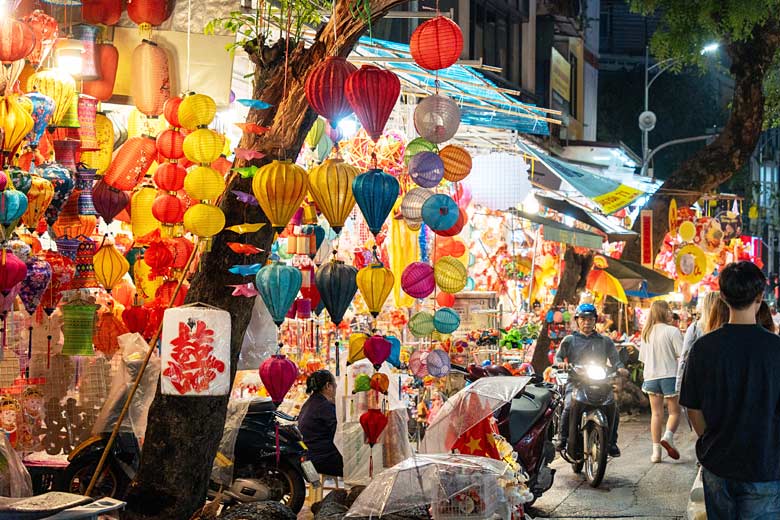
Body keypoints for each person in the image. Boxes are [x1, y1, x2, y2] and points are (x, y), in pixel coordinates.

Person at [681, 262, 780, 518]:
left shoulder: (703, 348)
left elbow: (692, 407)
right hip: (764, 465)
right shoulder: (775, 349)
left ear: (723, 297)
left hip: (718, 463)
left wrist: (710, 439)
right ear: (759, 298)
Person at [555, 303, 626, 457]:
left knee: (613, 407)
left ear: (595, 321)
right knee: (568, 405)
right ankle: (562, 438)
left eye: (590, 319)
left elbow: (616, 360)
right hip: (576, 381)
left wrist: (620, 368)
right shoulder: (569, 340)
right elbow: (558, 357)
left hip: (600, 382)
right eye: (583, 319)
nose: (587, 322)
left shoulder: (605, 341)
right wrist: (561, 363)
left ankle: (612, 442)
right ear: (577, 320)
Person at [639, 300, 683, 463]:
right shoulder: (672, 331)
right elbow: (682, 354)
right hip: (669, 375)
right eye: (669, 310)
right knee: (674, 412)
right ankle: (668, 436)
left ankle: (656, 453)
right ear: (662, 312)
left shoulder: (646, 333)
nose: (671, 313)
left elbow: (643, 358)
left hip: (651, 377)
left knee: (656, 414)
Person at [676, 292, 725, 393]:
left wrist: (679, 385)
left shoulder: (694, 328)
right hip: (721, 382)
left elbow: (684, 358)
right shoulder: (726, 329)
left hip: (699, 382)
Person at [297, 370, 343, 476]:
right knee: (356, 462)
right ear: (328, 386)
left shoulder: (310, 403)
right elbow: (338, 432)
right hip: (321, 459)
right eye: (334, 384)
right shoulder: (323, 406)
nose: (336, 387)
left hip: (310, 455)